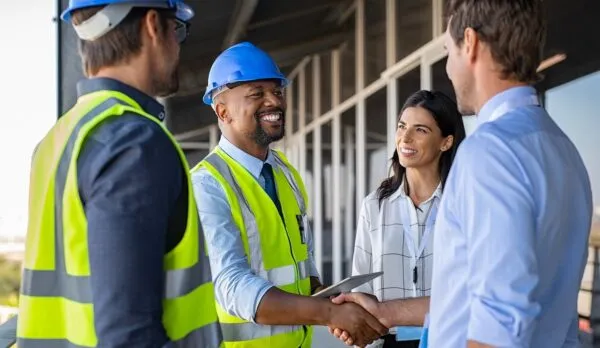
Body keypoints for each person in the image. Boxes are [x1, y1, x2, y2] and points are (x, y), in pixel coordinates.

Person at [333, 0, 593, 347]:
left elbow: (499, 319)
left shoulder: (490, 151)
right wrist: (388, 313)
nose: (449, 67)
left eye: (447, 50)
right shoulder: (562, 148)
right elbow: (473, 295)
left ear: (469, 43)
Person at [15, 1, 222, 347]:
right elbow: (129, 338)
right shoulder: (133, 143)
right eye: (177, 29)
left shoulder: (58, 138)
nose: (177, 45)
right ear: (154, 25)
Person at [191, 41, 387, 348]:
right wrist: (328, 315)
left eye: (278, 92)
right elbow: (232, 287)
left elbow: (301, 267)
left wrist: (335, 299)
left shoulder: (285, 173)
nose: (274, 102)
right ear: (223, 111)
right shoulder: (207, 185)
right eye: (257, 93)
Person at [350, 90, 466, 348]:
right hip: (388, 342)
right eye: (402, 126)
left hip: (450, 340)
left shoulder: (463, 204)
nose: (405, 137)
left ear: (446, 142)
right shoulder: (374, 205)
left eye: (421, 130)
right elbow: (362, 287)